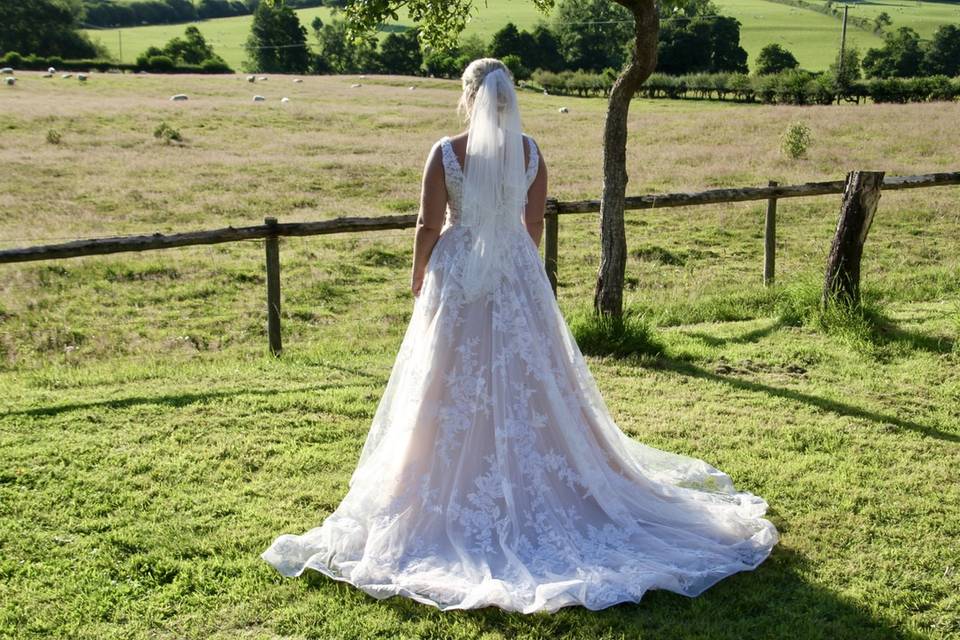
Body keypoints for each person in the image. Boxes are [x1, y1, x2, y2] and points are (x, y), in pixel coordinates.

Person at [260, 58, 778, 614]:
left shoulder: (445, 152)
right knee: (532, 373)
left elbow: (428, 225)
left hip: (458, 274)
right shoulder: (530, 152)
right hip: (516, 269)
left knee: (445, 376)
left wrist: (418, 276)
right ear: (509, 100)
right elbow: (534, 223)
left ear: (468, 97)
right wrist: (517, 263)